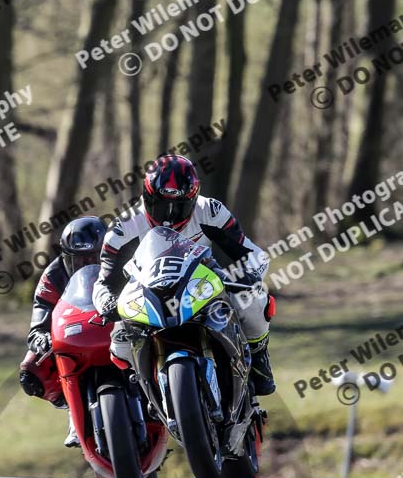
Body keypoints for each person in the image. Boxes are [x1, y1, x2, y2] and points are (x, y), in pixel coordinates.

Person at [92, 154, 275, 396]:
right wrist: (106, 301)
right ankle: (140, 393)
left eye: (179, 207)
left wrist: (249, 276)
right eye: (161, 204)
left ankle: (259, 362)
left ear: (193, 198)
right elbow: (103, 282)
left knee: (253, 301)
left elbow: (253, 253)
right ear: (146, 197)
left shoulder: (209, 211)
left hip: (202, 288)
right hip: (148, 300)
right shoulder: (123, 228)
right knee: (120, 345)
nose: (168, 215)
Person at [19, 216, 107, 447]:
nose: (87, 264)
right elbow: (41, 310)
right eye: (79, 259)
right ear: (67, 258)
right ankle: (73, 410)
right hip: (79, 332)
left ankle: (168, 397)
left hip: (118, 326)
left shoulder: (123, 260)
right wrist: (41, 336)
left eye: (93, 257)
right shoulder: (53, 275)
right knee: (31, 368)